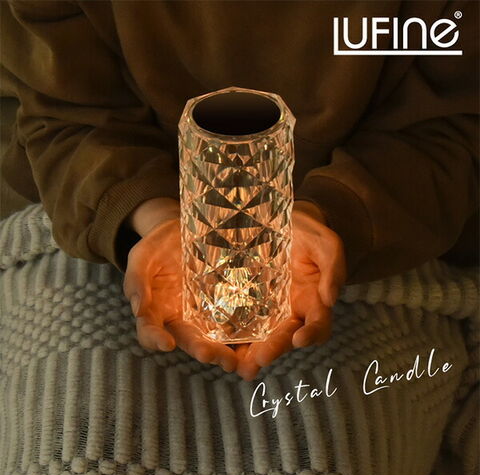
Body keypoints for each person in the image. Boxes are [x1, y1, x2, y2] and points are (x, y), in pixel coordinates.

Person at [1, 1, 478, 381]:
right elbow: (64, 117)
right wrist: (149, 215)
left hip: (389, 241)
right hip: (102, 231)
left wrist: (335, 213)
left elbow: (450, 127)